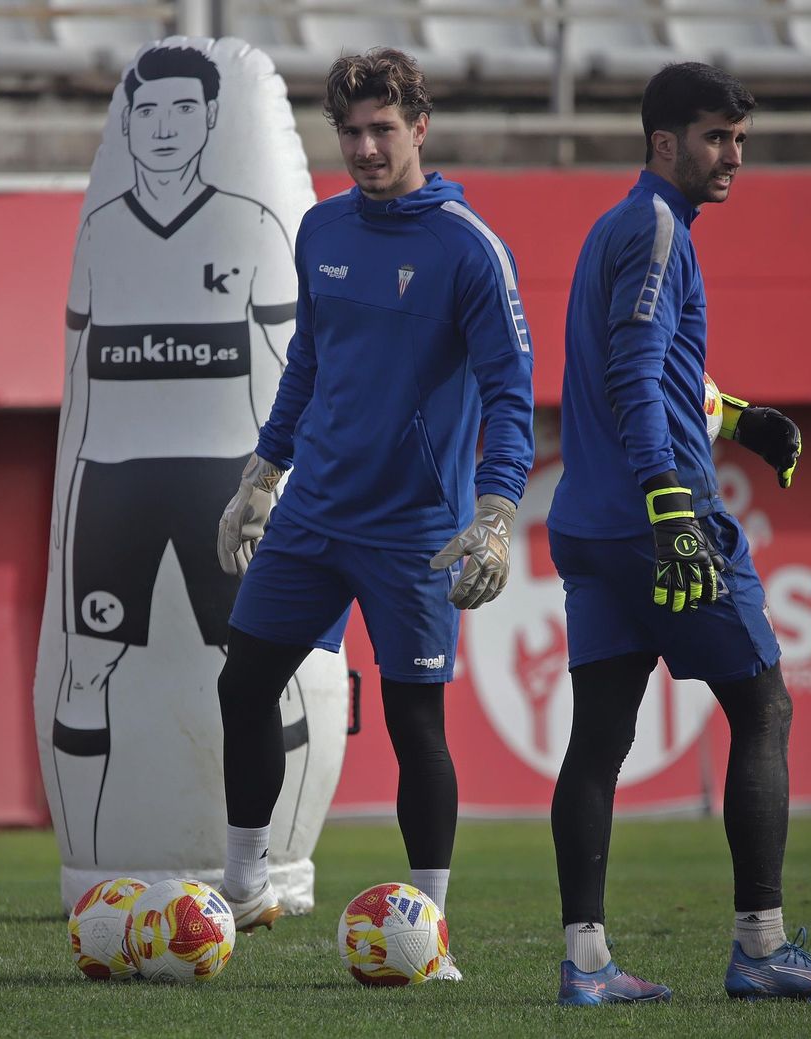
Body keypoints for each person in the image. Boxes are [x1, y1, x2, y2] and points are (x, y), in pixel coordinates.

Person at [545, 62, 811, 1006]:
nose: (733, 155)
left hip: (588, 528)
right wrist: (673, 506)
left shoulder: (621, 228)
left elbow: (644, 366)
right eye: (715, 137)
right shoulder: (656, 232)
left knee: (600, 737)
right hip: (660, 524)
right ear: (663, 143)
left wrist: (736, 417)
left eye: (739, 138)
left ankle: (588, 962)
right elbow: (636, 381)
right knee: (764, 709)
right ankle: (761, 947)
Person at [214, 47, 535, 980]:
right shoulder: (319, 230)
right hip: (313, 513)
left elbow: (513, 393)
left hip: (414, 536)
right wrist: (260, 474)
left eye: (381, 129)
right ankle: (246, 886)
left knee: (415, 726)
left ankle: (426, 931)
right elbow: (306, 365)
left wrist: (498, 513)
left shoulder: (469, 248)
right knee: (242, 686)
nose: (363, 147)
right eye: (348, 131)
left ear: (420, 128)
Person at [51, 44, 315, 865]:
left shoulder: (256, 224)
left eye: (180, 111)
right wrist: (67, 514)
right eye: (146, 112)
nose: (162, 127)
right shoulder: (101, 233)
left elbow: (294, 373)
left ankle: (276, 867)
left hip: (224, 483)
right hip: (115, 484)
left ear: (210, 121)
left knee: (262, 666)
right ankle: (89, 865)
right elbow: (80, 390)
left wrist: (282, 491)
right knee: (88, 665)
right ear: (127, 126)